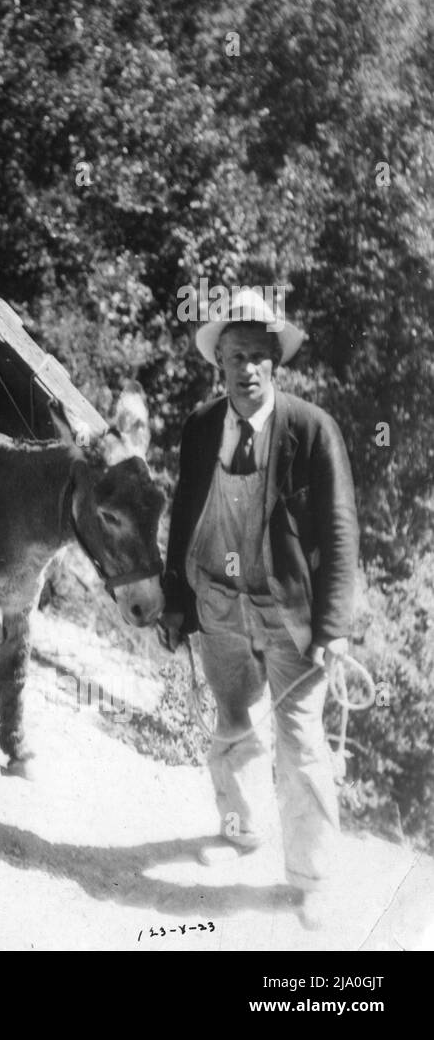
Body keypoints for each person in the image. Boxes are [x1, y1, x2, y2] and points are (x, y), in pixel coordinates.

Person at [160, 287, 359, 931]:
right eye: (235, 355)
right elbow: (184, 514)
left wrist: (330, 628)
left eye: (258, 357)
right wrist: (175, 600)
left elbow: (340, 530)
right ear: (218, 362)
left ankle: (310, 878)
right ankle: (238, 831)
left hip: (288, 610)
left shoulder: (310, 428)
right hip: (218, 599)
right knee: (230, 718)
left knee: (299, 739)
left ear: (277, 364)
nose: (246, 369)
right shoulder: (198, 428)